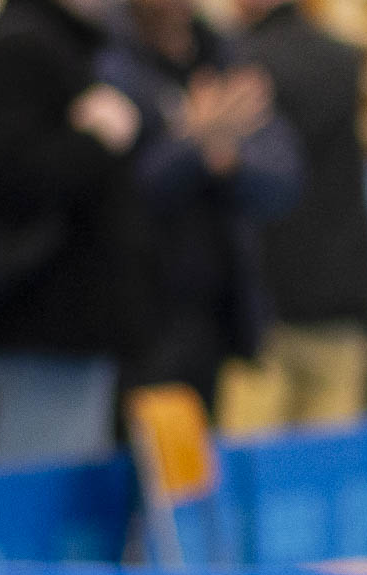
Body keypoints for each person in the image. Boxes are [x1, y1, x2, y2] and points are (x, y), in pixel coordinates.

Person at [0, 0, 147, 465]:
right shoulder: (21, 46)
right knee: (37, 483)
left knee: (63, 481)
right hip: (36, 327)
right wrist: (95, 143)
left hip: (69, 331)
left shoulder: (73, 45)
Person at [98, 0, 300, 417]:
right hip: (132, 317)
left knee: (190, 450)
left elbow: (284, 179)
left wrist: (226, 160)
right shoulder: (108, 60)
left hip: (213, 318)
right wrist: (192, 145)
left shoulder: (226, 61)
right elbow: (115, 193)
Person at [220, 0, 367, 435]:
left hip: (261, 305)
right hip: (339, 293)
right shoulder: (343, 60)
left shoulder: (238, 60)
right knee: (330, 465)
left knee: (253, 461)